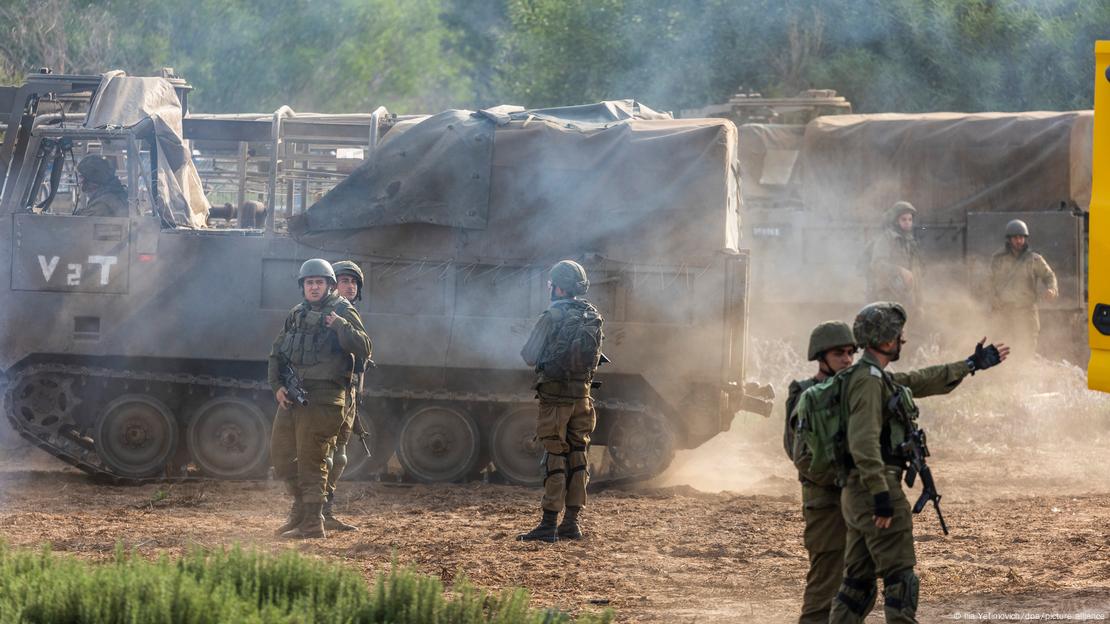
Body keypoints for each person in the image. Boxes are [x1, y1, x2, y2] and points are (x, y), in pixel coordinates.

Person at [786, 321, 1005, 623]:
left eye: (851, 352)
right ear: (820, 357)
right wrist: (847, 473)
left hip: (859, 495)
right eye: (839, 353)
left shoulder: (865, 382)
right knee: (826, 588)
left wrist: (970, 365)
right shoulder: (808, 394)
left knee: (856, 588)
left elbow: (921, 380)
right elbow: (800, 457)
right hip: (826, 504)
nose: (847, 359)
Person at [268, 258, 371, 539]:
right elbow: (277, 352)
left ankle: (313, 523)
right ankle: (301, 510)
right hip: (293, 396)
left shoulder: (342, 309)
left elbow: (365, 346)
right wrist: (277, 385)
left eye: (319, 282)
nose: (314, 287)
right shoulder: (296, 313)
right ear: (303, 287)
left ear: (328, 285)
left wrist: (340, 326)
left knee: (314, 460)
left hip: (324, 397)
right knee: (281, 455)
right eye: (309, 283)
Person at [518, 260, 603, 543]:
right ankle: (571, 523)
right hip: (583, 397)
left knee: (555, 456)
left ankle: (548, 524)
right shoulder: (592, 315)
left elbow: (529, 354)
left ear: (558, 287)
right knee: (578, 456)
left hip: (555, 398)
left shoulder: (552, 315)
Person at [320, 259, 368, 532]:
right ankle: (311, 512)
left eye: (353, 282)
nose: (349, 286)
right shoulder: (329, 313)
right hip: (329, 393)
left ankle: (326, 510)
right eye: (343, 281)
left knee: (339, 457)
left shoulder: (349, 313)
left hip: (347, 393)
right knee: (325, 456)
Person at [989, 219, 1058, 360]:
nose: (1019, 241)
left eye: (1021, 237)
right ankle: (1005, 375)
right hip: (1004, 311)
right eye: (1015, 237)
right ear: (1009, 239)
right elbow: (990, 282)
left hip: (1026, 311)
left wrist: (1052, 290)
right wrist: (993, 302)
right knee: (1003, 345)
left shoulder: (1034, 259)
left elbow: (1049, 276)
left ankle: (1024, 374)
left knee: (1027, 345)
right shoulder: (998, 259)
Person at [867, 202, 923, 311]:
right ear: (896, 221)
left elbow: (916, 274)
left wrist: (919, 304)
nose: (907, 223)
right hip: (887, 298)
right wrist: (900, 270)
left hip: (906, 298)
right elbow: (877, 265)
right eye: (903, 219)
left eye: (910, 219)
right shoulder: (886, 239)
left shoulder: (910, 242)